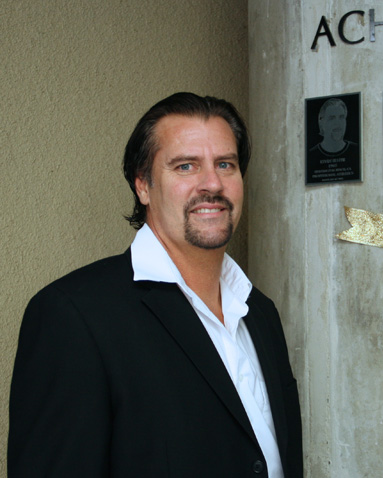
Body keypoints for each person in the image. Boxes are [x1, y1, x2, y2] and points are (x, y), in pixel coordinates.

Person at [8, 92, 303, 477]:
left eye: (225, 164)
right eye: (185, 166)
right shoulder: (74, 316)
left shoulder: (259, 311)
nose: (212, 183)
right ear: (142, 186)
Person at [307, 98, 359, 182]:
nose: (338, 123)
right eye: (332, 118)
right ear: (322, 122)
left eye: (341, 117)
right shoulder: (312, 155)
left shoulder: (356, 150)